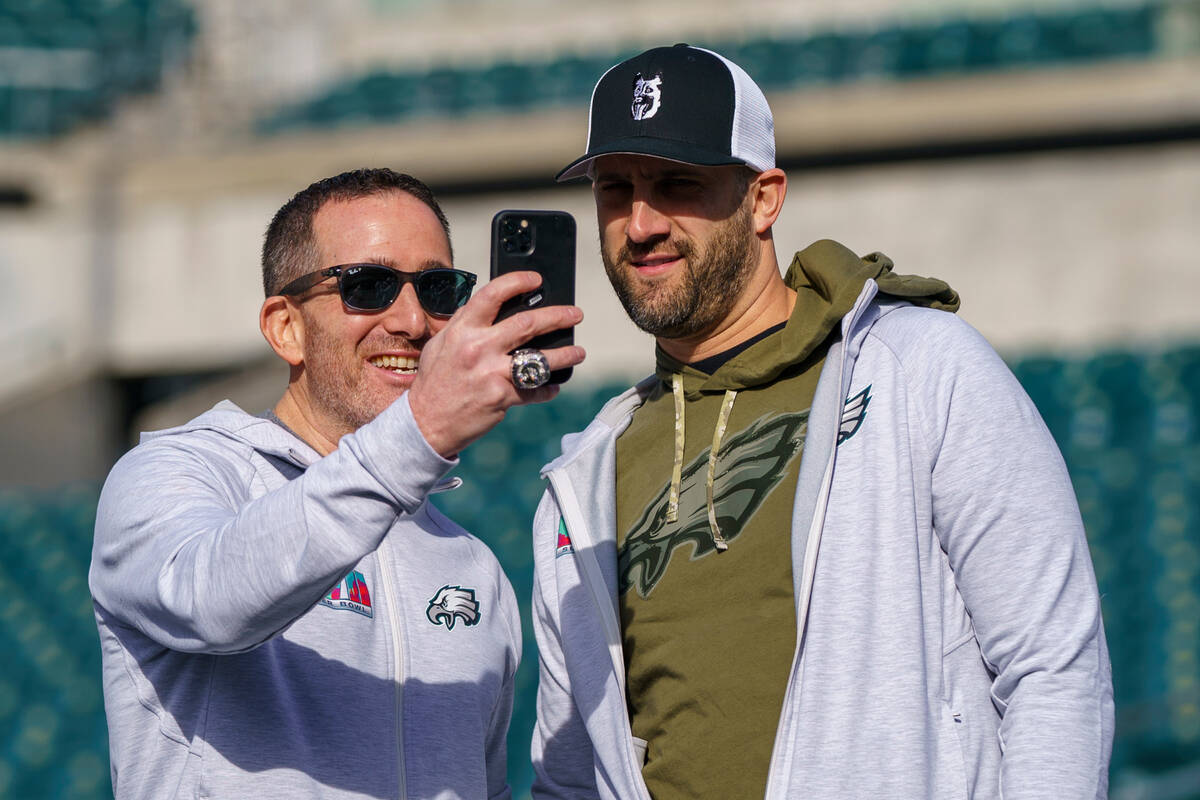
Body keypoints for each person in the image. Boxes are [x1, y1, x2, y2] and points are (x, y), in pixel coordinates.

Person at [530, 45, 1113, 800]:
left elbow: (1054, 667)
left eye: (678, 184)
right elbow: (572, 779)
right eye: (616, 190)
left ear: (764, 197)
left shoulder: (920, 368)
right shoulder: (585, 477)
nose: (640, 224)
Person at [89, 168, 585, 799]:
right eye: (368, 286)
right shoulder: (176, 473)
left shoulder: (472, 567)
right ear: (285, 328)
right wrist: (421, 431)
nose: (410, 319)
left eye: (438, 289)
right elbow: (211, 601)